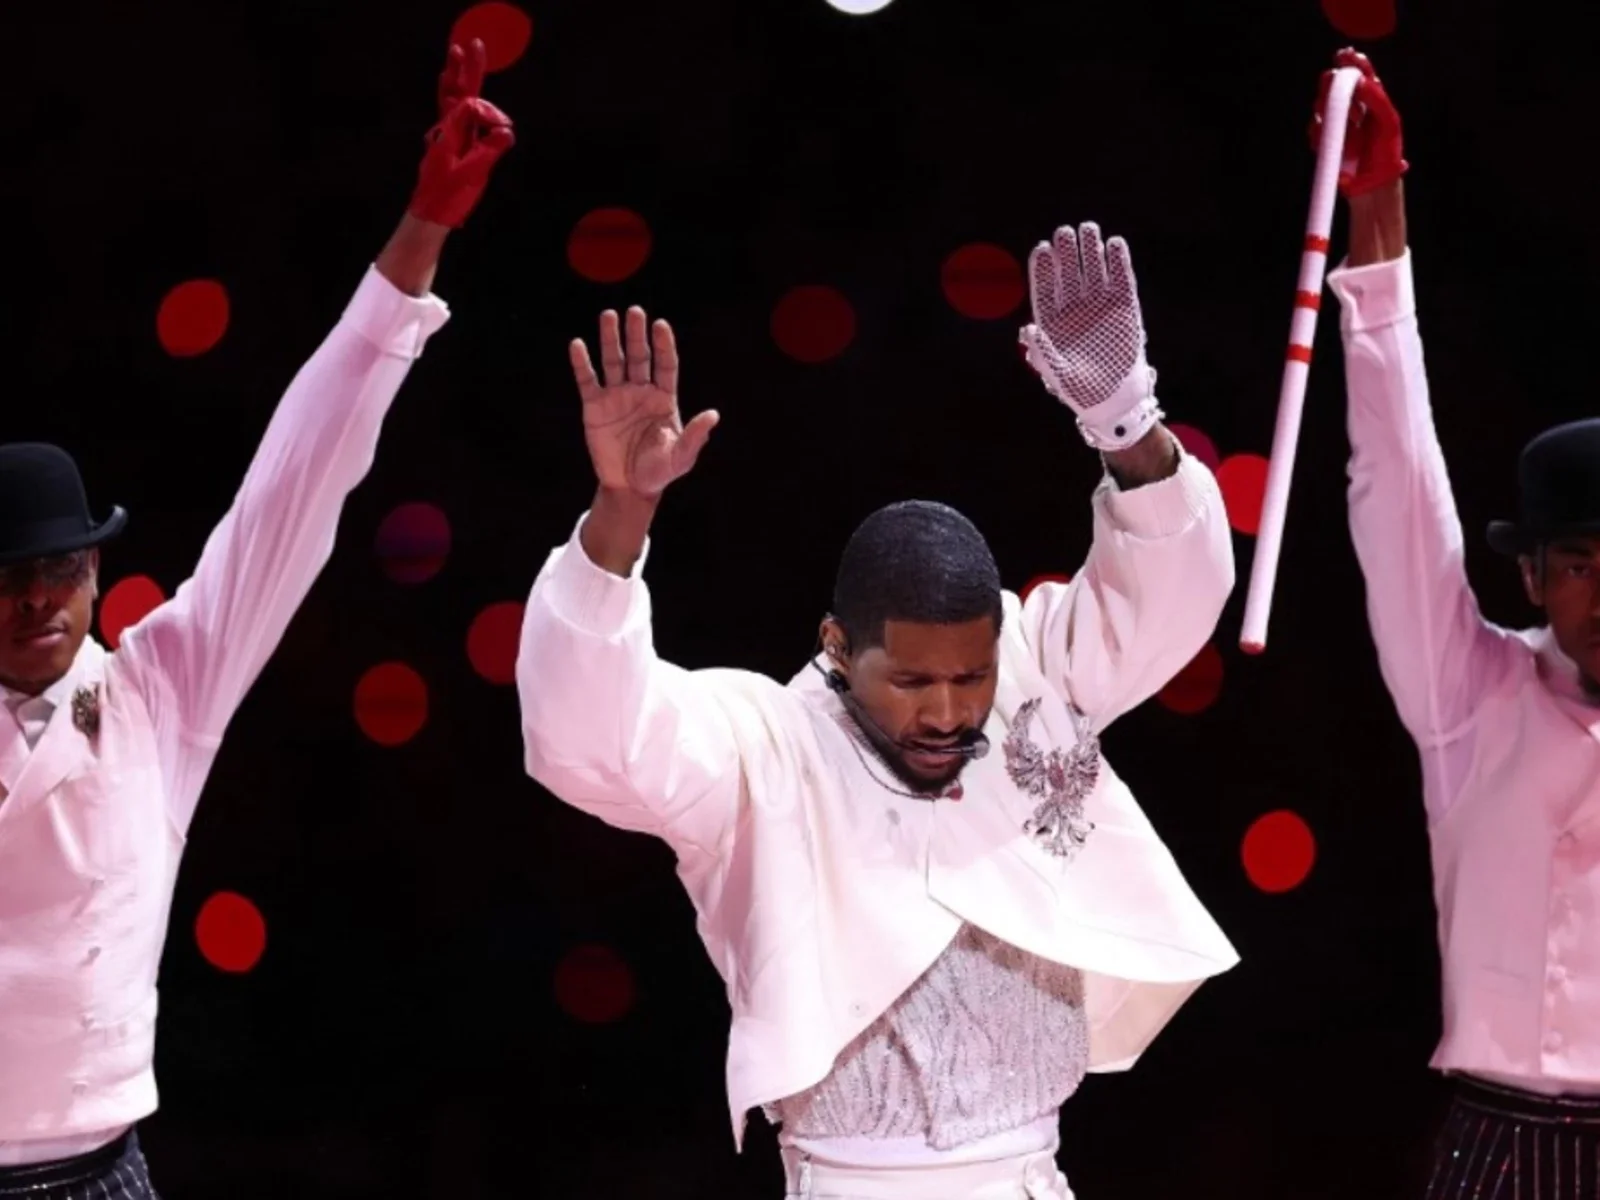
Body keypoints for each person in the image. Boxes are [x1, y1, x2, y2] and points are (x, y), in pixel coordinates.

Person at [516, 221, 1240, 1198]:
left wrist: (1124, 422)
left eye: (969, 676)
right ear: (836, 646)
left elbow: (1168, 598)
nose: (947, 712)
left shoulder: (1033, 672)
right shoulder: (762, 746)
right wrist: (621, 513)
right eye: (909, 682)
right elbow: (589, 734)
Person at [0, 40, 513, 1199]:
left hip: (101, 1169)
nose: (36, 596)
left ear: (94, 571)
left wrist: (420, 234)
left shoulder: (157, 688)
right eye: (8, 574)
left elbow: (296, 483)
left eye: (60, 566)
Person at [1319, 48, 1600, 1198]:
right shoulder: (1471, 699)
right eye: (1579, 564)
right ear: (1530, 576)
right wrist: (1375, 220)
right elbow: (1397, 490)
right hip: (1501, 1147)